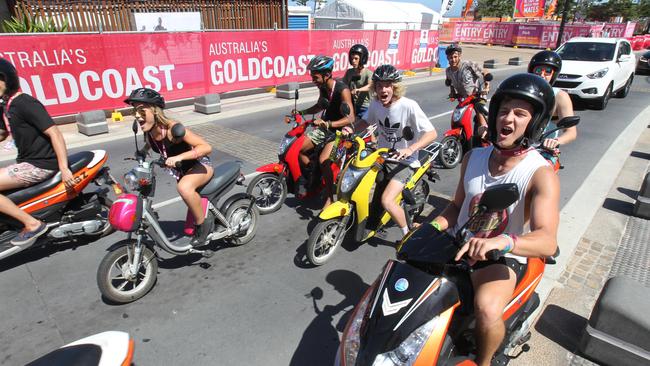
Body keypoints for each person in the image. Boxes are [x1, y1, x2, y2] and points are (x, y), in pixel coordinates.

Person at [429, 73, 560, 366]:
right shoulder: (473, 156)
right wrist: (431, 227)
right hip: (457, 247)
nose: (508, 118)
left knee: (487, 310)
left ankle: (485, 361)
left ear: (535, 122)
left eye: (520, 113)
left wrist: (502, 242)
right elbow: (456, 207)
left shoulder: (540, 173)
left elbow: (547, 240)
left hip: (499, 257)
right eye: (503, 110)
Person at [343, 64, 437, 239]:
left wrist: (410, 149)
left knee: (387, 200)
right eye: (379, 85)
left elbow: (432, 133)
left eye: (387, 85)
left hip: (406, 162)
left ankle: (406, 235)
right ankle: (371, 218)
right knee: (361, 183)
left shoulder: (409, 106)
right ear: (375, 88)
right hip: (383, 157)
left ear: (395, 86)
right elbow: (365, 122)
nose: (383, 89)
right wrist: (351, 130)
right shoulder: (375, 105)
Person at [124, 88, 213, 247]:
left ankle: (203, 225)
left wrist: (179, 157)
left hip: (200, 165)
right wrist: (143, 152)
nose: (137, 116)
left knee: (184, 188)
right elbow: (152, 143)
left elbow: (205, 147)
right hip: (184, 170)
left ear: (155, 111)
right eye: (134, 111)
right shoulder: (150, 130)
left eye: (141, 111)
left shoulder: (173, 128)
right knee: (184, 189)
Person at [0, 58, 74, 246]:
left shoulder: (25, 103)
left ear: (4, 80)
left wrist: (64, 168)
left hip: (41, 164)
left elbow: (55, 133)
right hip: (26, 162)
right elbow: (2, 133)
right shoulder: (7, 106)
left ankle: (32, 224)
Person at [294, 55, 354, 208]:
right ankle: (315, 177)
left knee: (324, 161)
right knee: (300, 150)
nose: (312, 79)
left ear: (327, 75)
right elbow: (320, 105)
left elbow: (351, 118)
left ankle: (329, 195)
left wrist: (328, 124)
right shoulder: (323, 87)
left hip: (341, 131)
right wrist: (302, 112)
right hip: (325, 127)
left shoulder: (342, 90)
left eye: (315, 76)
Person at [528, 51, 577, 150]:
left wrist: (556, 141)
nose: (542, 75)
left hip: (543, 150)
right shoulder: (523, 91)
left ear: (553, 74)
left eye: (548, 71)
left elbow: (571, 132)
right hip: (517, 148)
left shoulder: (560, 96)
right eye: (538, 70)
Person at [445, 44, 490, 145]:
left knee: (480, 115)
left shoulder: (468, 65)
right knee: (459, 117)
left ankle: (485, 138)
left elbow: (485, 72)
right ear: (447, 58)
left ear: (459, 56)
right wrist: (452, 93)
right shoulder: (448, 71)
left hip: (477, 96)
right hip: (464, 99)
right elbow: (449, 82)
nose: (453, 59)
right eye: (450, 57)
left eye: (455, 57)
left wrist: (487, 87)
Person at [342, 44, 373, 119]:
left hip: (365, 107)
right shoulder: (349, 72)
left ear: (362, 59)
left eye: (356, 59)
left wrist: (358, 90)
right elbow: (343, 86)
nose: (353, 61)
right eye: (352, 59)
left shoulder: (368, 73)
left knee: (364, 128)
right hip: (352, 105)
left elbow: (370, 86)